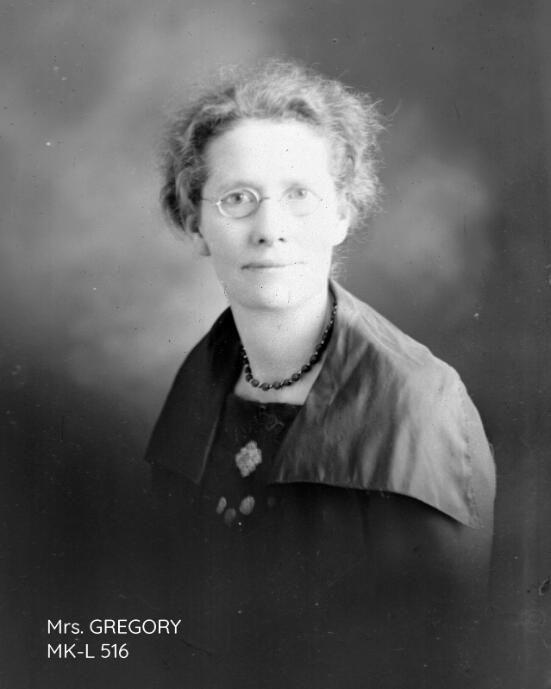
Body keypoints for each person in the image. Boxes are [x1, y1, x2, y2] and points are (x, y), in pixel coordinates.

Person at [145, 60, 495, 689]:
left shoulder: (417, 402)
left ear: (342, 215)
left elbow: (438, 655)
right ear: (196, 224)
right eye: (237, 199)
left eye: (300, 196)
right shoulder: (202, 377)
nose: (270, 231)